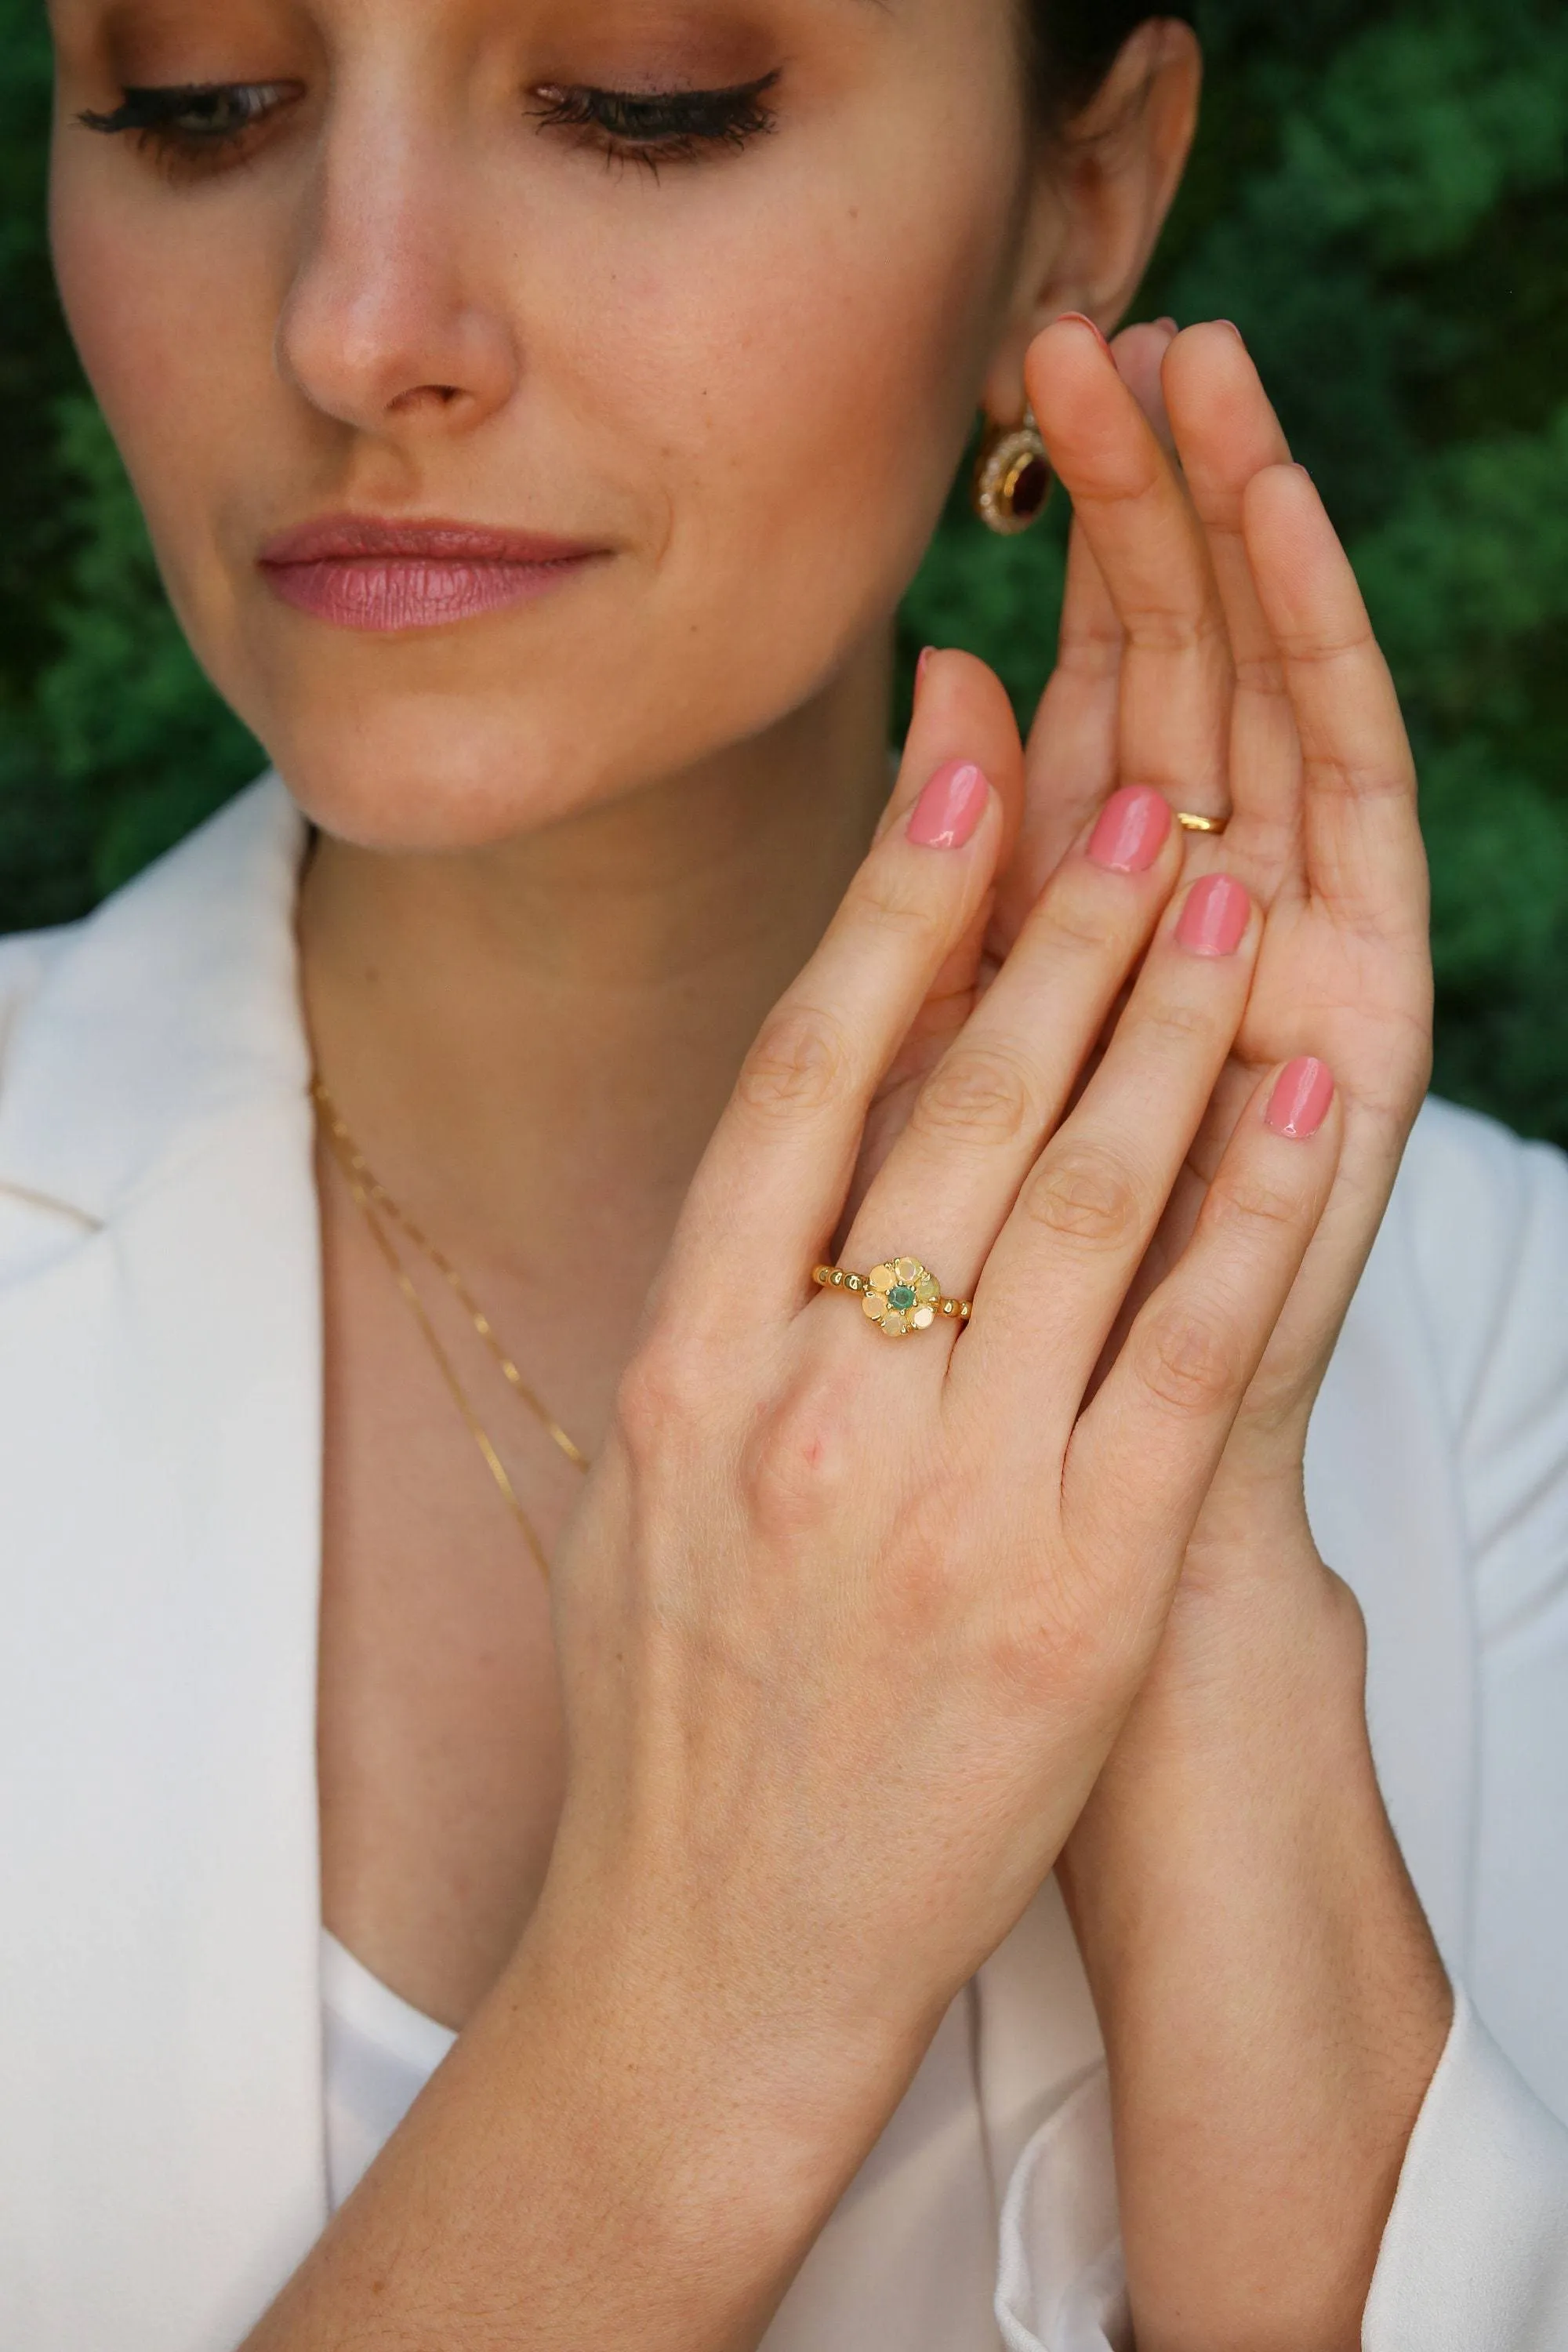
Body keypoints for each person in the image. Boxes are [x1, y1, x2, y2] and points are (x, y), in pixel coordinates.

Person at [3, 1, 1566, 2346]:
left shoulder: (1507, 1356)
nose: (357, 327)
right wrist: (696, 2008)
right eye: (200, 99)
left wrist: (1193, 1599)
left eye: (646, 97)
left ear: (1087, 198)